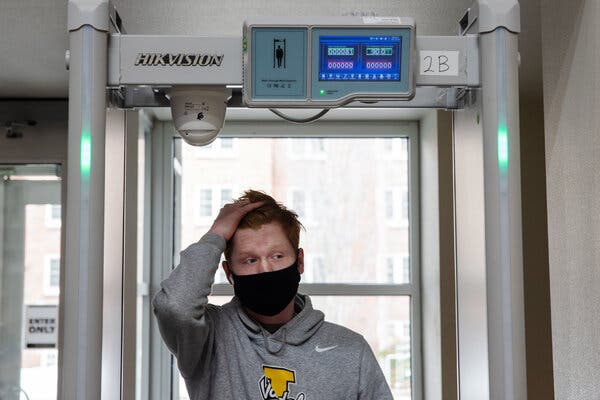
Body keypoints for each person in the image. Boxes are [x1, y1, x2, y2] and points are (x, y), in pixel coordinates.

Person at [153, 190, 393, 400]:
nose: (265, 269)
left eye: (277, 256)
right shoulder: (208, 338)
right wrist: (216, 235)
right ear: (229, 273)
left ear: (299, 262)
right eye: (250, 260)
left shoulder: (350, 349)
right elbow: (175, 306)